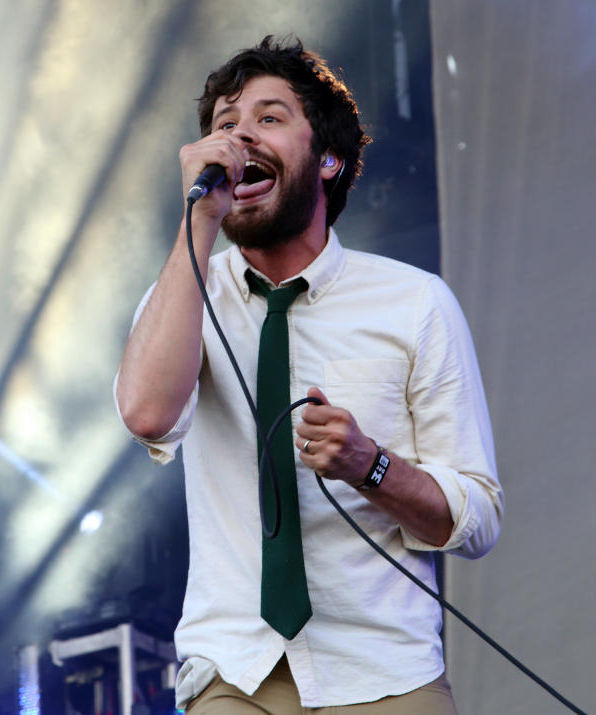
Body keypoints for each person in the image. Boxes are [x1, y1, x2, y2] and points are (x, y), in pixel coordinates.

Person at [114, 36, 503, 714]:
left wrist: (371, 465)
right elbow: (147, 414)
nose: (239, 137)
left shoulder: (414, 304)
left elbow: (477, 519)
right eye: (225, 124)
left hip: (383, 672)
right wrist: (198, 225)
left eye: (268, 118)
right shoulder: (185, 292)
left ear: (327, 158)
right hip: (233, 670)